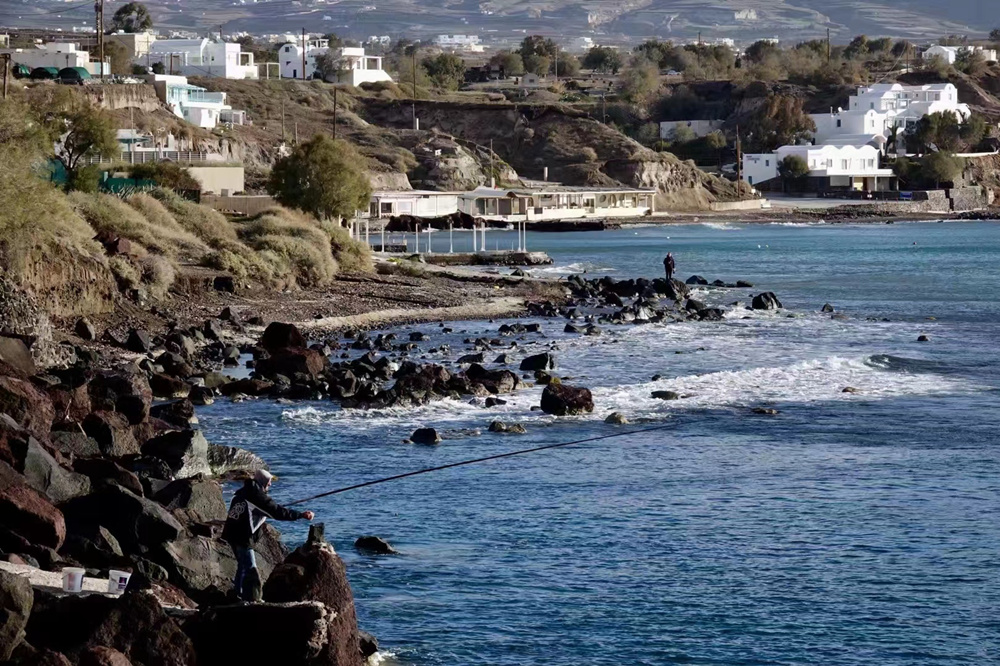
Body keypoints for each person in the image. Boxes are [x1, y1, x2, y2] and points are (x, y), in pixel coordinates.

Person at [222, 469, 314, 601]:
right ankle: (250, 599)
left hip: (231, 533)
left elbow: (263, 508)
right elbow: (276, 512)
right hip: (242, 536)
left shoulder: (243, 492)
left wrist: (266, 509)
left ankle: (237, 594)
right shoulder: (256, 495)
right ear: (263, 481)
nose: (270, 484)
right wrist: (301, 515)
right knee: (250, 568)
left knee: (242, 565)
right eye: (269, 481)